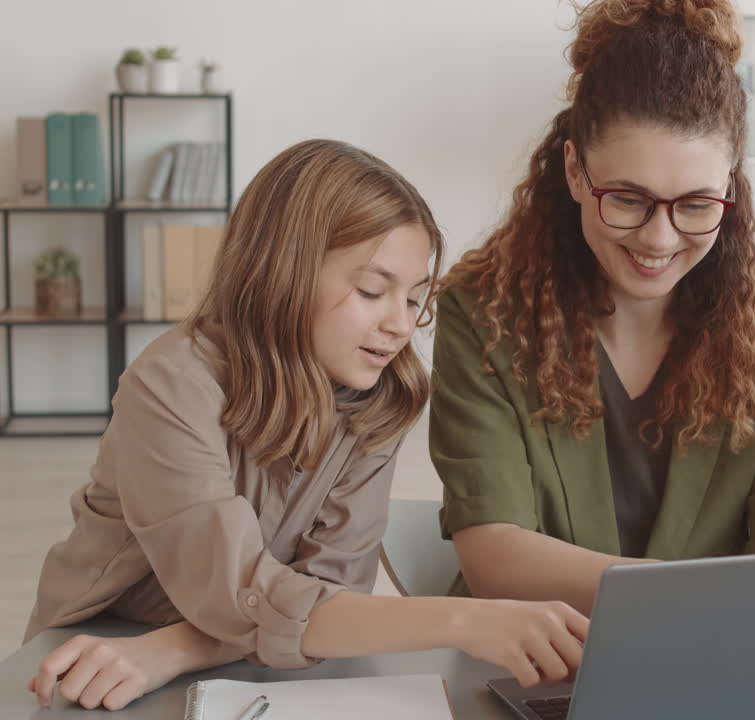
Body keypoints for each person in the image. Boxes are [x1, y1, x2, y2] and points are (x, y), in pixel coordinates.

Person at [428, 2, 755, 717]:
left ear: (731, 189)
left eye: (695, 204)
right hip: (537, 681)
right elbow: (494, 552)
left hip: (721, 682)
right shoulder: (484, 314)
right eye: (628, 198)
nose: (659, 236)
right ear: (575, 171)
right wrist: (702, 606)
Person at [26, 139, 587, 711]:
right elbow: (241, 593)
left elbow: (328, 590)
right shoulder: (169, 385)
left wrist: (173, 650)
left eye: (415, 298)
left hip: (242, 660)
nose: (401, 325)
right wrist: (467, 619)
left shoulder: (382, 396)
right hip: (101, 651)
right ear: (283, 272)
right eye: (372, 291)